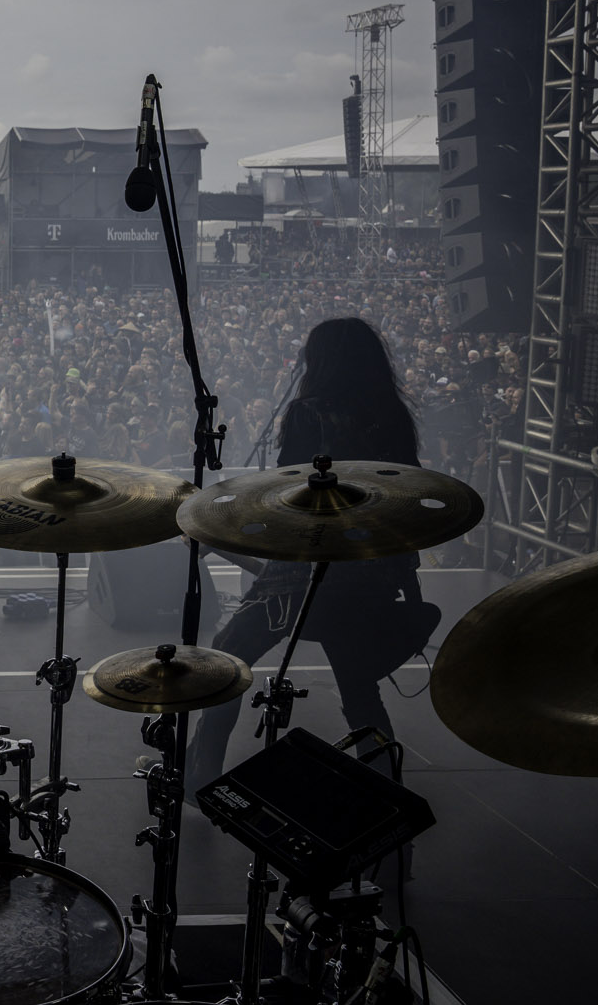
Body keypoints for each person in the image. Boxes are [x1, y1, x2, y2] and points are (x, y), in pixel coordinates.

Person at [182, 317, 443, 794]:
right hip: (373, 571)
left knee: (228, 658)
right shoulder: (392, 414)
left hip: (308, 568)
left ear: (318, 362)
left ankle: (200, 774)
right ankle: (385, 794)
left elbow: (288, 493)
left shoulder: (308, 413)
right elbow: (407, 493)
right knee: (360, 689)